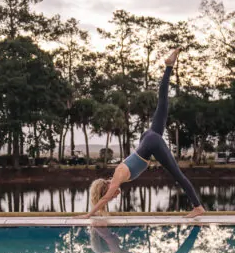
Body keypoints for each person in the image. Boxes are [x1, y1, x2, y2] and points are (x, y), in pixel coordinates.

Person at [79, 49, 206, 218]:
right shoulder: (119, 176)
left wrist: (88, 215)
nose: (115, 196)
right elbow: (107, 197)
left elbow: (104, 199)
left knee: (178, 175)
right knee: (163, 104)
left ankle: (198, 207)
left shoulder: (117, 177)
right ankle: (169, 67)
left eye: (112, 196)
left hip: (151, 143)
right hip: (148, 138)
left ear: (107, 189)